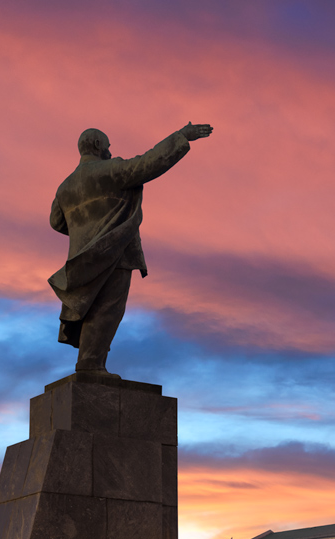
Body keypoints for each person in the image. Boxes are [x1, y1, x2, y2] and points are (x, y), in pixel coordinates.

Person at [48, 122, 213, 375]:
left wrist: (85, 228)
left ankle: (89, 363)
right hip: (114, 252)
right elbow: (148, 164)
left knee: (91, 309)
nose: (110, 152)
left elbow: (57, 222)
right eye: (108, 146)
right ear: (97, 145)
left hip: (81, 258)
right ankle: (90, 365)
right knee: (108, 309)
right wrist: (181, 137)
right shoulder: (109, 170)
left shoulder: (65, 187)